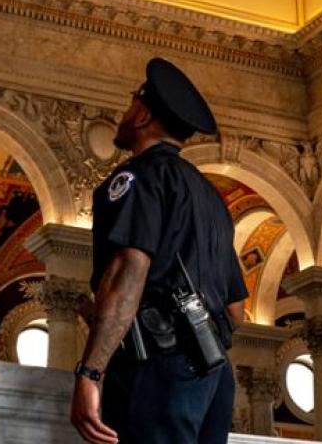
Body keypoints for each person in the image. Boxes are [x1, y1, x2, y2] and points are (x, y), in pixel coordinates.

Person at [71, 58, 248, 444]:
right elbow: (236, 311)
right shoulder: (212, 199)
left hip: (158, 365)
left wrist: (90, 373)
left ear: (142, 114)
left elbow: (128, 272)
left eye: (131, 102)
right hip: (214, 378)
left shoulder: (136, 178)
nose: (125, 111)